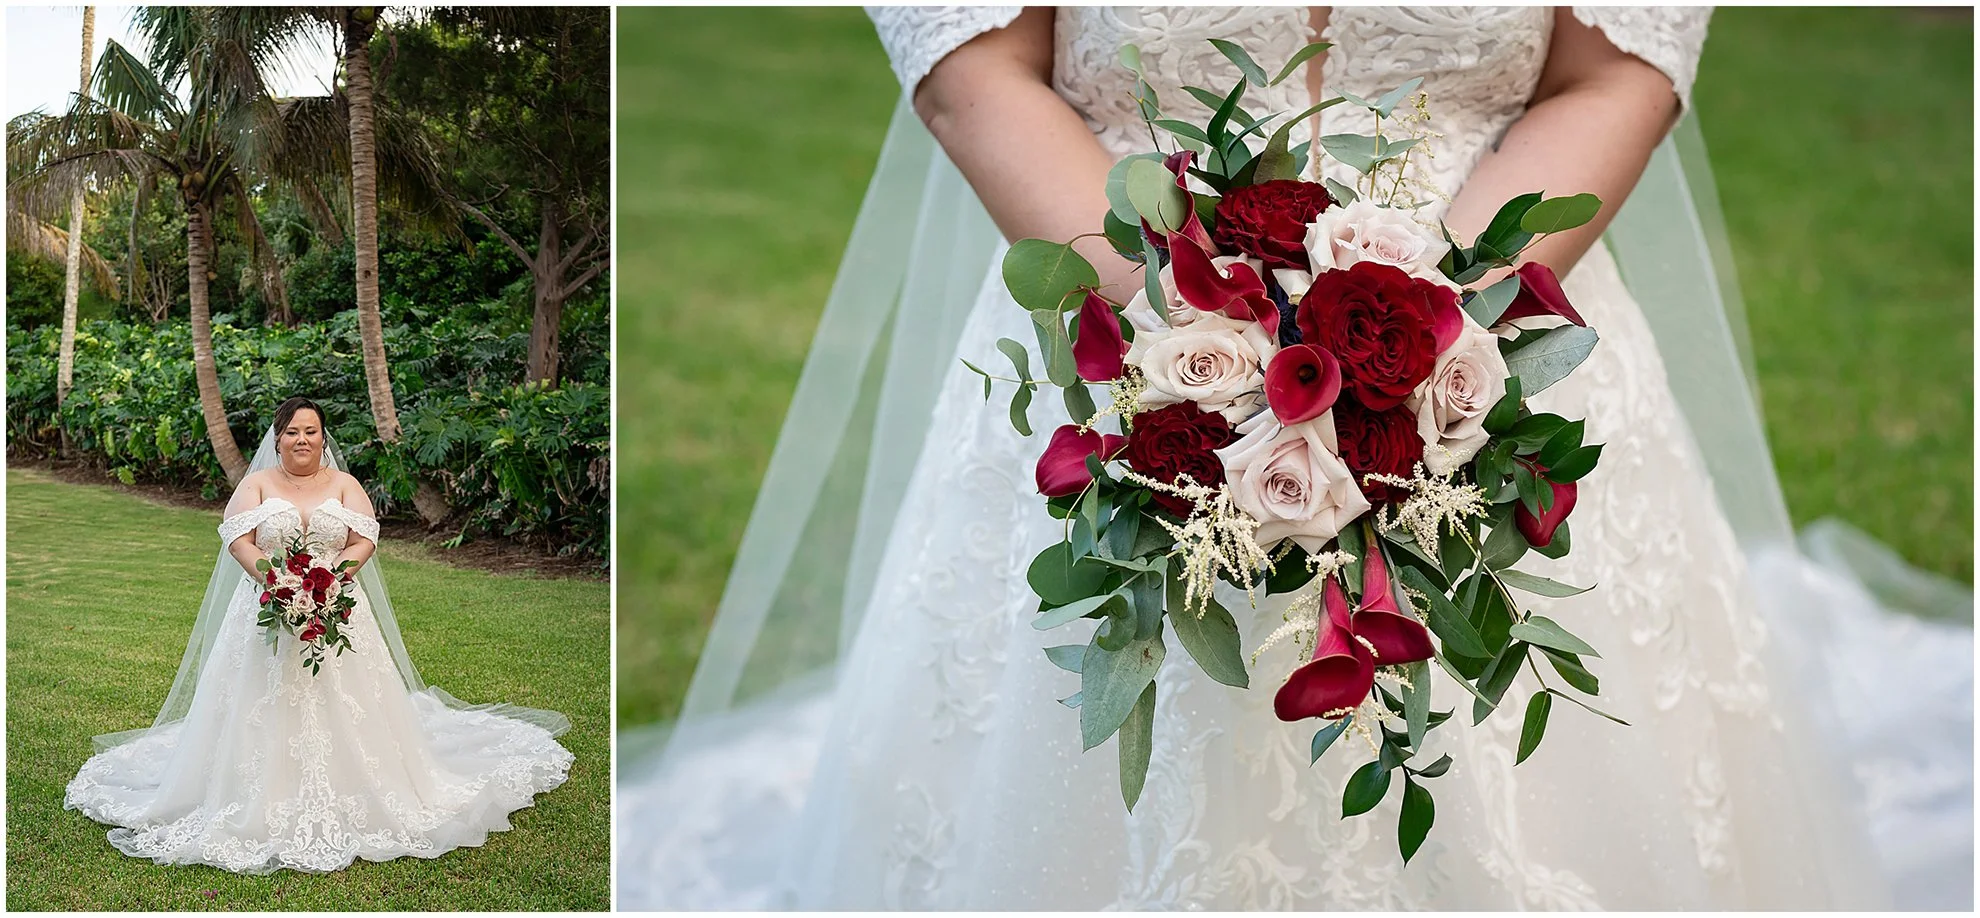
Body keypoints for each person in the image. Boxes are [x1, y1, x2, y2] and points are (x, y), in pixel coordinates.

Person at [619, 8, 1972, 908]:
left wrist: (1435, 338)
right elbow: (973, 55)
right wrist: (1192, 342)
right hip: (1128, 309)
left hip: (1494, 321)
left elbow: (1617, 62)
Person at [66, 397, 575, 875]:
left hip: (337, 605)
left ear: (323, 437)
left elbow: (364, 537)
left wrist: (332, 579)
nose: (302, 440)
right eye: (292, 432)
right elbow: (236, 538)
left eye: (311, 431)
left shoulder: (345, 483)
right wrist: (275, 579)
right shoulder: (259, 482)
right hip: (264, 610)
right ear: (278, 437)